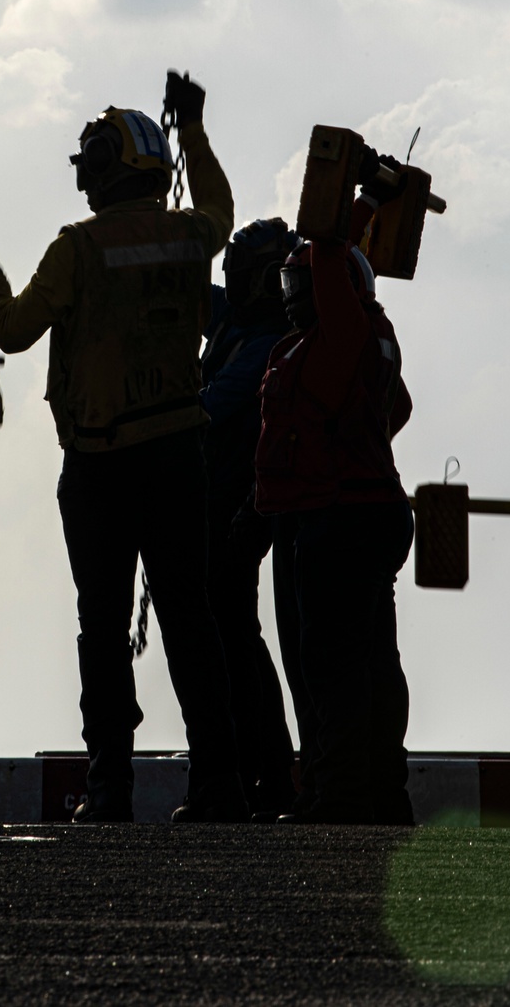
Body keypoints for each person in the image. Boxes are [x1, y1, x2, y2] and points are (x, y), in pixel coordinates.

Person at [0, 73, 248, 824]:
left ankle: (111, 788)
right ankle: (219, 784)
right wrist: (194, 127)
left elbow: (17, 331)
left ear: (106, 166)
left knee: (102, 626)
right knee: (192, 619)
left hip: (101, 466)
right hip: (180, 453)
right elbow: (220, 208)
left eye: (88, 162)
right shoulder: (189, 235)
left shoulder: (77, 248)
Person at [255, 164, 415, 824]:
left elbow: (327, 252)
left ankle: (343, 796)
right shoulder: (362, 341)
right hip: (367, 511)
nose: (296, 289)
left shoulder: (345, 330)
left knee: (333, 666)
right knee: (375, 661)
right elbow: (398, 409)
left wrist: (366, 196)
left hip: (339, 517)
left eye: (305, 279)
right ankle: (383, 795)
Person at [201, 219, 298, 820]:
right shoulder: (238, 324)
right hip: (216, 506)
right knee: (232, 639)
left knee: (235, 640)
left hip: (235, 510)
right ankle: (259, 772)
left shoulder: (267, 348)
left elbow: (210, 405)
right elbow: (189, 291)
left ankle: (267, 773)